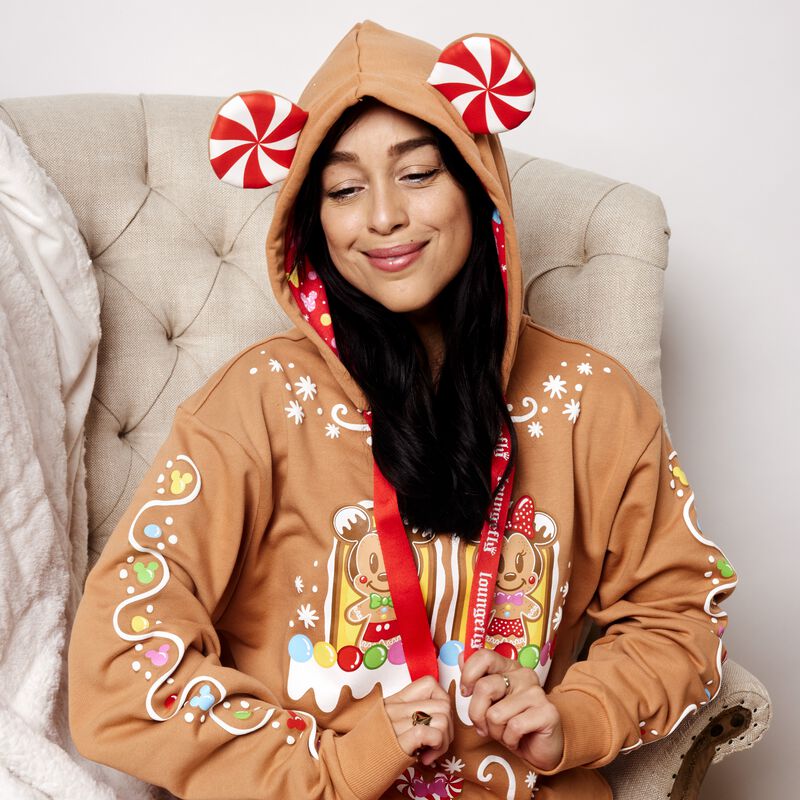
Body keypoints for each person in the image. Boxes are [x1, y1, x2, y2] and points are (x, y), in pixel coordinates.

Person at [67, 20, 738, 800]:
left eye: (416, 174)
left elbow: (683, 613)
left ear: (477, 185)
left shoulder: (593, 401)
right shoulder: (256, 404)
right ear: (311, 223)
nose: (383, 216)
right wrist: (335, 764)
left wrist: (574, 716)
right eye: (345, 189)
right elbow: (121, 663)